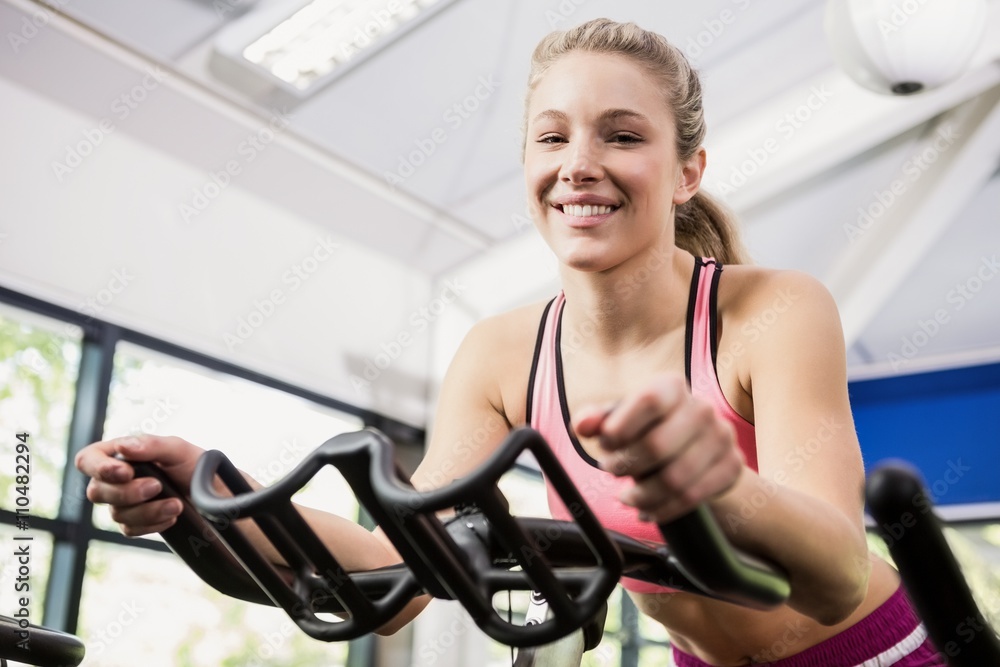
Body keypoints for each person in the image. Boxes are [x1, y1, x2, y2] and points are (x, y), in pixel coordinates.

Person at [77, 18, 945, 667]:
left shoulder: (773, 312)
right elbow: (397, 575)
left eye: (623, 135)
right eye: (552, 136)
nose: (579, 163)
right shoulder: (500, 355)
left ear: (687, 171)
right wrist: (212, 494)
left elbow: (836, 572)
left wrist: (717, 483)